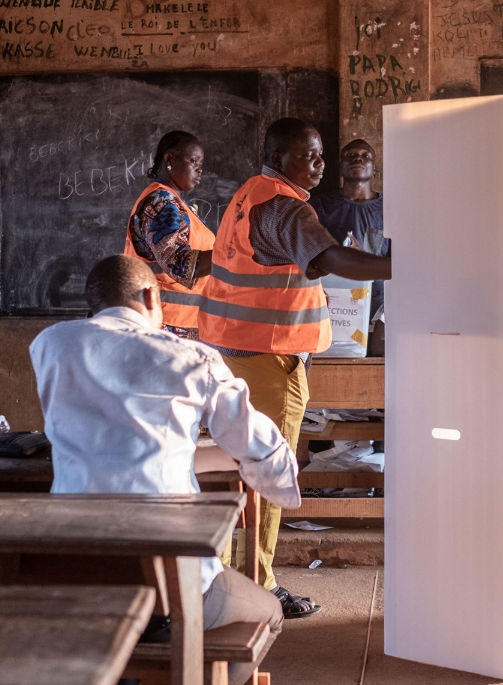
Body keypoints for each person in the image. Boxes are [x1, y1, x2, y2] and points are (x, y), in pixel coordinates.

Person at [30, 255, 297, 685]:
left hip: (79, 579)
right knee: (269, 612)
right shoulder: (193, 358)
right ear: (153, 296)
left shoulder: (51, 345)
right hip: (169, 590)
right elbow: (261, 449)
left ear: (90, 308)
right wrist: (280, 481)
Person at [198, 118, 391, 618]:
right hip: (266, 359)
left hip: (231, 354)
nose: (320, 164)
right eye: (309, 155)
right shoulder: (282, 205)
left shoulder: (250, 193)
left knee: (231, 471)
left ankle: (216, 583)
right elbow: (329, 257)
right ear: (279, 156)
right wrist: (407, 264)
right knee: (267, 472)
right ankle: (257, 586)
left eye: (321, 154)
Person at [125, 130, 215, 340]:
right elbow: (181, 266)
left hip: (178, 324)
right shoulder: (162, 202)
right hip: (166, 327)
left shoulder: (170, 201)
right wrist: (233, 252)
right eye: (193, 161)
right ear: (169, 159)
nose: (199, 169)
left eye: (200, 163)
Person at [309, 138, 390, 353]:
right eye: (351, 156)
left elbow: (400, 262)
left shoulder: (392, 208)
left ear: (375, 167)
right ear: (340, 166)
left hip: (377, 310)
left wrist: (365, 259)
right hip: (331, 307)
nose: (358, 159)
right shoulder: (319, 205)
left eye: (365, 156)